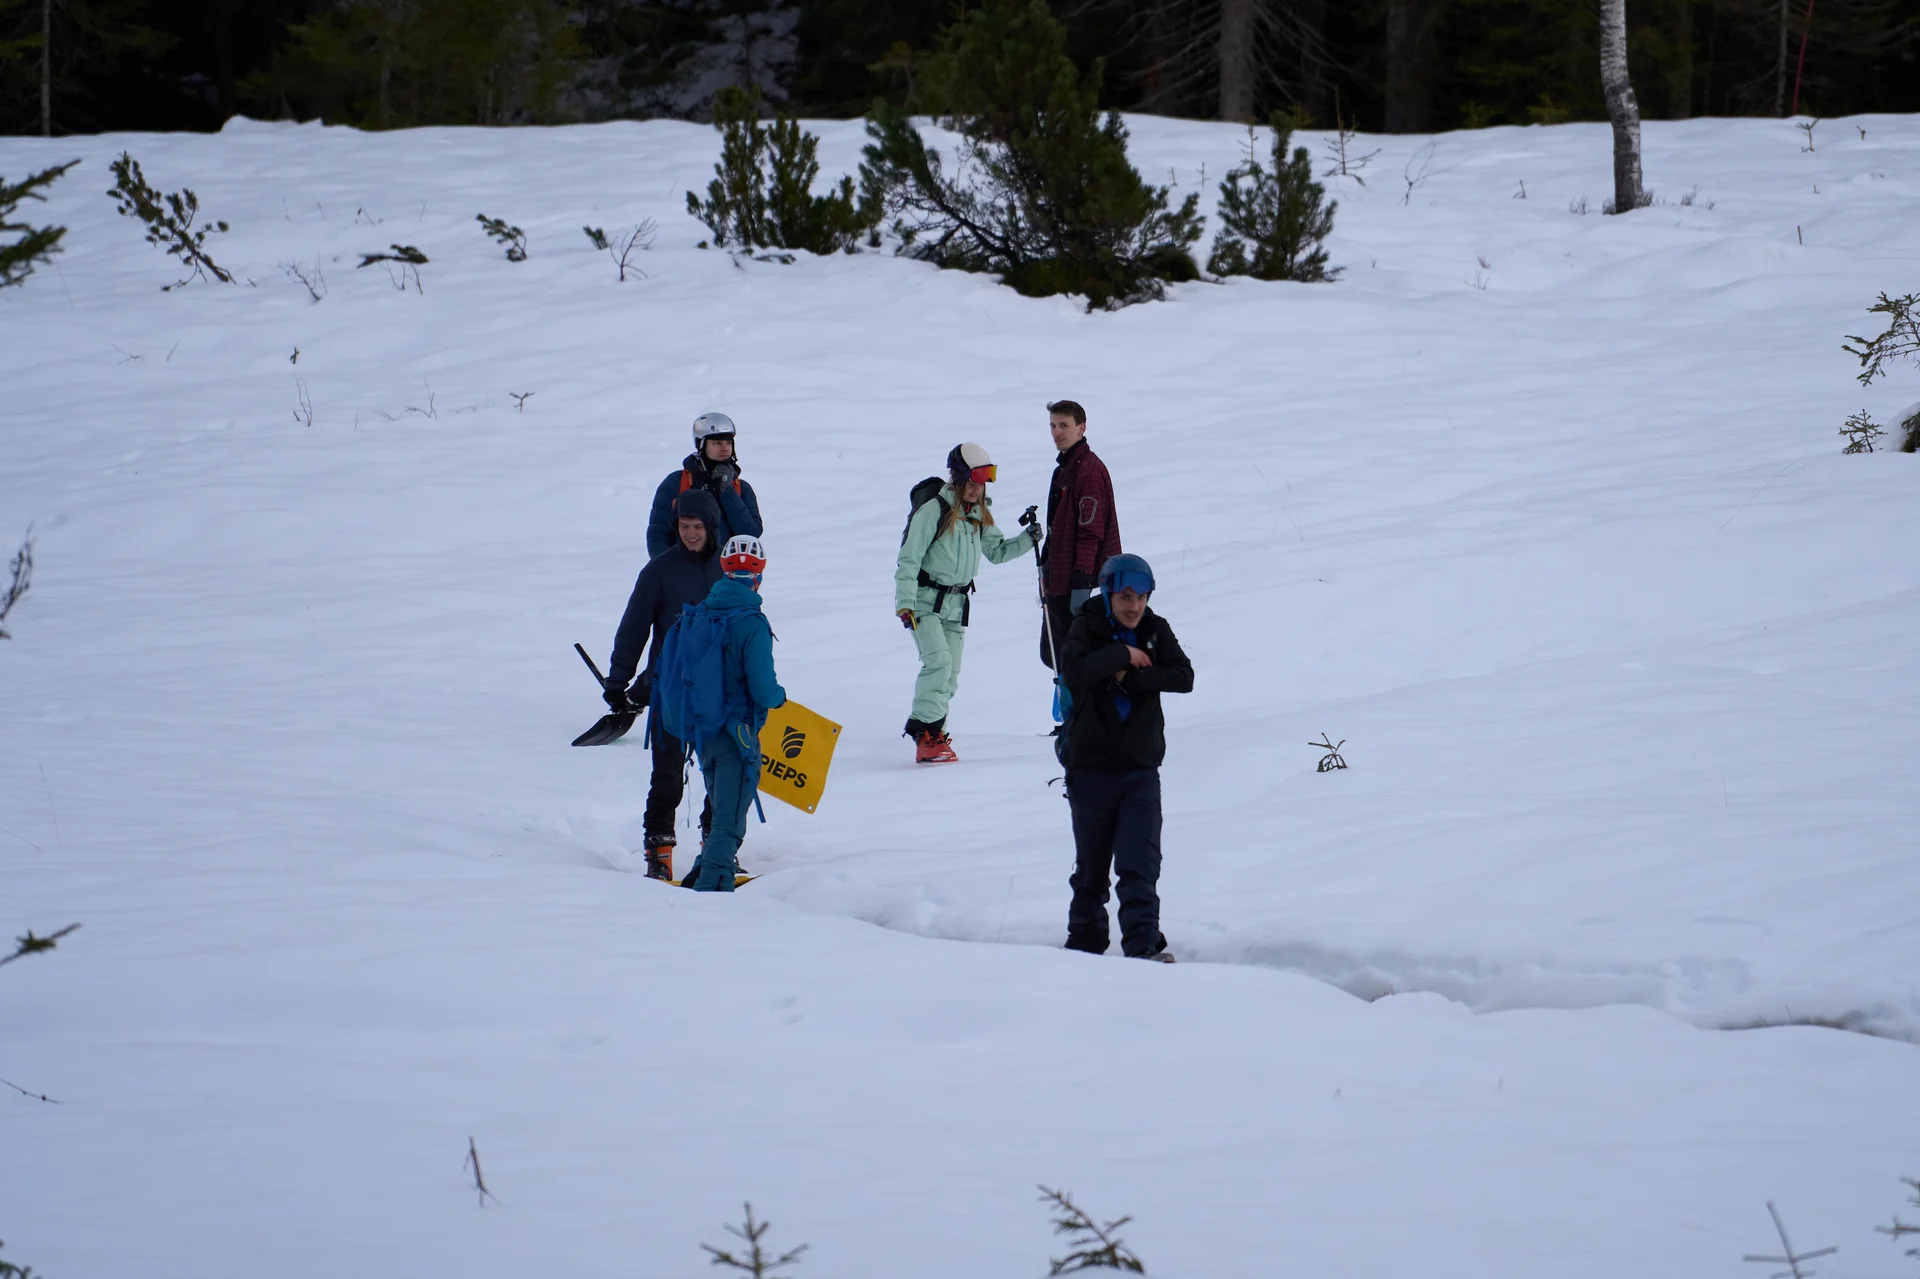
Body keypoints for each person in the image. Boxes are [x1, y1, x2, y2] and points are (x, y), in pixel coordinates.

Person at [1057, 553, 1193, 961]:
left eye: (1142, 597)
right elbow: (1075, 670)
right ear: (1110, 593)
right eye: (1126, 597)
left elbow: (1183, 677)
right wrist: (1121, 656)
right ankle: (1083, 948)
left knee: (1140, 864)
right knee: (1092, 872)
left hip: (1140, 771)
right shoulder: (1086, 625)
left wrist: (1130, 678)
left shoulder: (1155, 628)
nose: (1134, 607)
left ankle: (1144, 946)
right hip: (1090, 769)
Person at [603, 488, 723, 881]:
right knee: (668, 774)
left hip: (718, 690)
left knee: (721, 773)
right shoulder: (658, 571)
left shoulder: (726, 569)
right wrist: (619, 680)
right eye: (684, 527)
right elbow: (633, 628)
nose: (690, 534)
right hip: (670, 688)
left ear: (712, 527)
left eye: (698, 527)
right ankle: (660, 854)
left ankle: (717, 849)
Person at [894, 443, 1039, 764]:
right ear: (957, 480)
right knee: (938, 663)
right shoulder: (934, 510)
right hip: (923, 602)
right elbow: (909, 557)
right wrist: (904, 602)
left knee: (951, 675)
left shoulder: (978, 514)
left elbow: (998, 551)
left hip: (957, 605)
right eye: (970, 483)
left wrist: (1028, 539)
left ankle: (936, 737)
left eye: (981, 483)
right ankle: (924, 733)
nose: (975, 490)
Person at [678, 535, 787, 893]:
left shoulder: (703, 612)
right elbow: (762, 689)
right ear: (758, 577)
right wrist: (779, 697)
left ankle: (702, 871)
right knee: (729, 821)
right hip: (737, 735)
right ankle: (712, 889)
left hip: (703, 733)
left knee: (720, 809)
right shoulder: (751, 623)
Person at [1038, 400, 1121, 670]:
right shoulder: (1066, 469)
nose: (1056, 432)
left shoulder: (1088, 471)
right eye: (1053, 425)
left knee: (1074, 657)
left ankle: (1082, 707)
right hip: (1060, 579)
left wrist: (1081, 583)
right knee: (1054, 654)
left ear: (1082, 428)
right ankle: (1071, 704)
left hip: (1081, 583)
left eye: (1064, 425)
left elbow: (1091, 533)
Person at [647, 412, 765, 560]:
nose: (724, 448)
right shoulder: (677, 483)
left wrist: (727, 490)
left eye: (728, 442)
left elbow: (751, 534)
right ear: (701, 445)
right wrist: (665, 568)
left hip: (726, 574)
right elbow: (658, 532)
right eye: (716, 442)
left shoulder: (741, 488)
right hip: (685, 571)